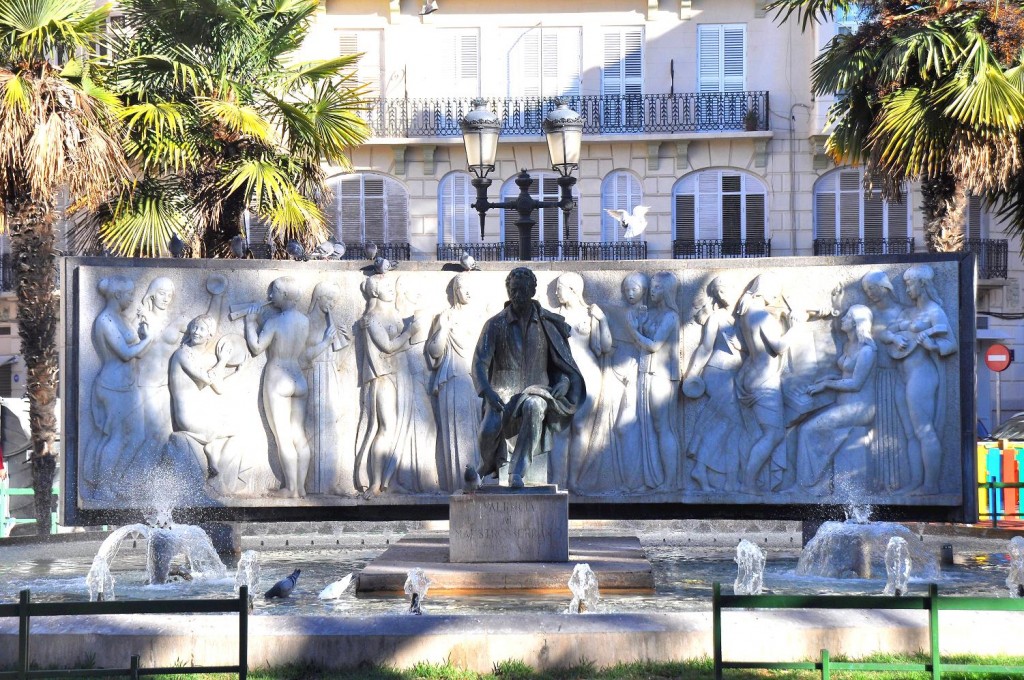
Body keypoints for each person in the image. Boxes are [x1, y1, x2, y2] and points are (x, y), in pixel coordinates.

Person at [473, 267, 585, 488]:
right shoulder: (495, 324)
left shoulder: (548, 325)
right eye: (513, 290)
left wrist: (563, 382)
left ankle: (517, 471)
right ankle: (487, 464)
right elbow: (479, 362)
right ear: (508, 291)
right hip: (501, 393)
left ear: (532, 290)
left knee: (534, 406)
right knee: (487, 431)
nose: (518, 295)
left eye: (523, 290)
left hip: (537, 390)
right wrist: (486, 391)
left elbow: (561, 364)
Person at [85, 275, 154, 502]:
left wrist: (142, 335)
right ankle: (103, 486)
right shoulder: (105, 320)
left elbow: (133, 346)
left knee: (137, 436)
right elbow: (125, 353)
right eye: (129, 294)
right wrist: (149, 340)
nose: (132, 298)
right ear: (117, 295)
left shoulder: (119, 318)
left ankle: (114, 482)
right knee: (116, 437)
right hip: (112, 386)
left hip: (127, 386)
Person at [890, 264, 957, 495]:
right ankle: (916, 482)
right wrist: (895, 336)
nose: (907, 288)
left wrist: (933, 345)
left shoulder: (935, 311)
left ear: (923, 284)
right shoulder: (908, 312)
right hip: (903, 376)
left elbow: (951, 345)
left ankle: (931, 485)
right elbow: (887, 331)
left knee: (924, 431)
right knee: (910, 433)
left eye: (910, 283)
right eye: (906, 283)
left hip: (922, 375)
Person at [244, 276, 313, 498]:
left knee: (283, 436)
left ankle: (290, 488)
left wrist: (250, 323)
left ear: (283, 295)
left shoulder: (274, 323)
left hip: (278, 374)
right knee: (299, 435)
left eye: (273, 292)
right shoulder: (304, 321)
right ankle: (301, 487)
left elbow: (256, 347)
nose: (269, 297)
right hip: (298, 378)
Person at [796, 305, 877, 492]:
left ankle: (810, 486)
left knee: (807, 430)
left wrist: (827, 385)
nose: (843, 319)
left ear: (857, 324)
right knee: (808, 425)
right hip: (843, 405)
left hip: (859, 409)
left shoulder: (867, 351)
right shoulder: (849, 345)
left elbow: (856, 384)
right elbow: (846, 376)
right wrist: (829, 379)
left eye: (848, 317)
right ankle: (821, 485)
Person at [734, 273, 804, 491]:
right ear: (766, 290)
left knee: (762, 432)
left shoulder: (746, 313)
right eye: (775, 291)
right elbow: (779, 346)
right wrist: (796, 327)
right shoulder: (761, 315)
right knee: (772, 434)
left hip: (752, 375)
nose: (776, 296)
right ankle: (748, 483)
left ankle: (754, 480)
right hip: (764, 380)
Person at [353, 274, 419, 496]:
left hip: (401, 374)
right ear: (374, 291)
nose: (391, 290)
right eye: (386, 286)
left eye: (392, 286)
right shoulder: (371, 318)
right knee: (386, 427)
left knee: (399, 429)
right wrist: (410, 332)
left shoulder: (395, 314)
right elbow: (388, 347)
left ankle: (390, 480)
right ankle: (375, 482)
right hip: (383, 377)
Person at [684, 276, 749, 491]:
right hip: (717, 373)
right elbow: (704, 348)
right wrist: (692, 374)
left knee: (730, 429)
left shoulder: (745, 316)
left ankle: (722, 478)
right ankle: (703, 469)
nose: (723, 294)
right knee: (733, 425)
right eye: (718, 291)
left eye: (726, 289)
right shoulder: (716, 318)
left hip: (737, 376)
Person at [554, 272, 613, 493]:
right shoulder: (554, 316)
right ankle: (557, 482)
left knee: (579, 427)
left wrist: (603, 320)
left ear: (573, 290)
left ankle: (574, 481)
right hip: (564, 377)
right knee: (560, 429)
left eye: (560, 287)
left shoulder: (590, 314)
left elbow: (605, 347)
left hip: (588, 374)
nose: (557, 292)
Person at [426, 273, 484, 492]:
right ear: (455, 292)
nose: (467, 291)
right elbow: (434, 351)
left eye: (470, 287)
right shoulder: (446, 316)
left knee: (474, 432)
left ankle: (476, 485)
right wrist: (443, 328)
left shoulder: (479, 318)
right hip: (452, 379)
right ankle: (454, 486)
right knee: (454, 433)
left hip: (474, 381)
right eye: (462, 287)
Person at [625, 271, 681, 490]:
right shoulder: (653, 313)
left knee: (662, 427)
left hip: (661, 376)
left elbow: (654, 345)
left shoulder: (671, 317)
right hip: (646, 372)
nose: (652, 290)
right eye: (653, 286)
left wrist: (632, 330)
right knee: (649, 426)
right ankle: (652, 479)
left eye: (657, 287)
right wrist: (638, 323)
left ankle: (669, 482)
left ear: (667, 291)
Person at [860, 270, 911, 491]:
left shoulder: (903, 312)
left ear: (885, 287)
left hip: (896, 377)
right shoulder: (868, 314)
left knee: (894, 429)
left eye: (872, 288)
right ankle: (880, 479)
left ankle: (895, 480)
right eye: (865, 290)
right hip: (875, 378)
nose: (869, 293)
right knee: (877, 431)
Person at [304, 281, 351, 495]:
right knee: (317, 428)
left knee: (333, 428)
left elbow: (338, 361)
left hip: (330, 375)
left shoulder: (330, 322)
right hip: (315, 376)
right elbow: (302, 357)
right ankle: (316, 485)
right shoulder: (305, 323)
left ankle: (331, 482)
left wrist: (345, 343)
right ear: (319, 298)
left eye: (334, 300)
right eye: (328, 299)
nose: (331, 304)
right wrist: (325, 341)